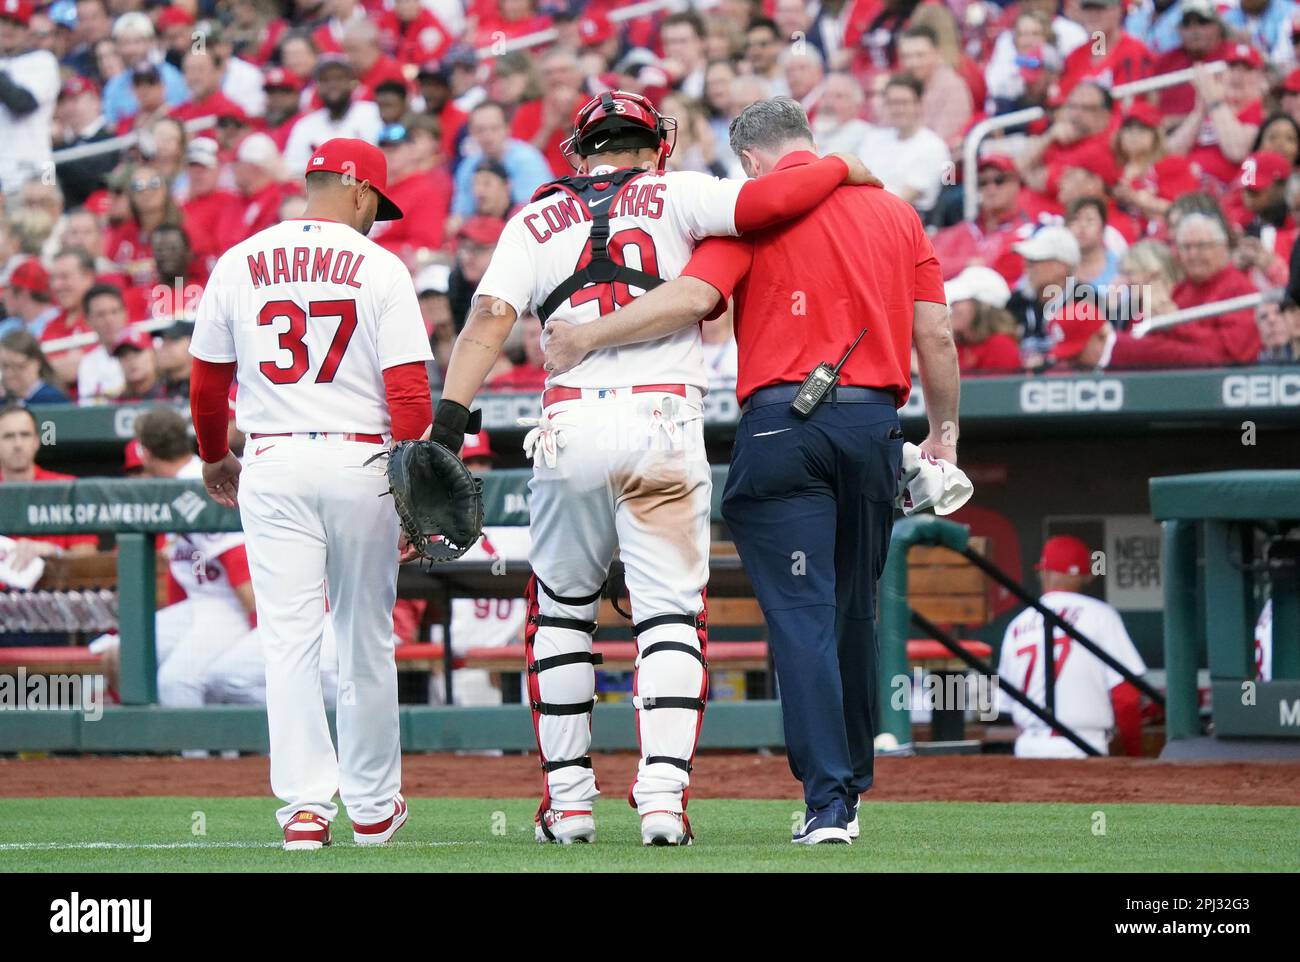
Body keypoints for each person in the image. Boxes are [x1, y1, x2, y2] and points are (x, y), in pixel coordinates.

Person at [439, 91, 875, 847]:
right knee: (670, 617)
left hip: (569, 423)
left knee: (562, 615)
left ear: (581, 148)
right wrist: (842, 162)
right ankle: (663, 802)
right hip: (662, 423)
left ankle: (570, 804)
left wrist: (449, 420)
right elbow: (777, 194)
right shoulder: (682, 191)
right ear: (653, 142)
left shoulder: (532, 216)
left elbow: (488, 319)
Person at [542, 97, 957, 846]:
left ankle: (828, 803)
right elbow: (936, 332)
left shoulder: (751, 212)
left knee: (802, 619)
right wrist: (946, 438)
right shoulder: (897, 214)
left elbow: (696, 298)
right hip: (872, 425)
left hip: (782, 425)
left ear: (753, 163)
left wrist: (588, 336)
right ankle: (849, 795)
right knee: (854, 613)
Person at [189, 138, 433, 852]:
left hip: (273, 460)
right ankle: (374, 807)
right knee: (364, 638)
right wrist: (412, 488)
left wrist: (213, 456)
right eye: (377, 206)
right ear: (358, 192)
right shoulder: (381, 266)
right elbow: (411, 396)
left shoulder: (239, 259)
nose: (378, 219)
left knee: (288, 641)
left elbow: (207, 385)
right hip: (360, 460)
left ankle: (304, 808)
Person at [998, 535, 1146, 758]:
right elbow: (1126, 698)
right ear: (1086, 577)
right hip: (1084, 747)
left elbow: (1004, 705)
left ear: (1043, 572)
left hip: (1029, 749)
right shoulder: (1100, 615)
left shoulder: (1016, 626)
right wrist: (1135, 755)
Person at [1107, 213, 1262, 367]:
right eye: (1186, 247)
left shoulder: (1240, 289)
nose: (1193, 254)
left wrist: (1174, 322)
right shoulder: (1181, 289)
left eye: (1201, 246)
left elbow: (1230, 355)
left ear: (1222, 247)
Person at [0, 404, 96, 607]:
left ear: (36, 441)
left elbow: (88, 557)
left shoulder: (66, 488)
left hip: (55, 604)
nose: (18, 444)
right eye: (8, 436)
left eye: (24, 435)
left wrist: (52, 551)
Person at [856, 73, 950, 218]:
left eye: (904, 102)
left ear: (919, 105)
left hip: (904, 219)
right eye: (892, 103)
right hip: (865, 211)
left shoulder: (932, 146)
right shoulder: (873, 138)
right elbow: (857, 182)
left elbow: (905, 199)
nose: (898, 109)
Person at [0, 0, 60, 195]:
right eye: (3, 21)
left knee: (42, 222)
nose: (7, 29)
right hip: (3, 174)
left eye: (16, 23)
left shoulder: (42, 61)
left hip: (38, 170)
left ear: (27, 30)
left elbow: (22, 102)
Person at [282, 56, 382, 172]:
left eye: (338, 78)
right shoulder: (305, 125)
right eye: (325, 80)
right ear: (317, 86)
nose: (332, 85)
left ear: (352, 82)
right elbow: (293, 171)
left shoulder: (373, 113)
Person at [945, 266, 1022, 374]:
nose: (952, 306)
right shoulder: (958, 346)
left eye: (959, 300)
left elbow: (993, 389)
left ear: (982, 306)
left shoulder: (1000, 345)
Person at [0, 329, 66, 403]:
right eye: (5, 366)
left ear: (37, 363)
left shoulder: (54, 400)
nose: (10, 373)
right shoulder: (4, 401)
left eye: (19, 366)